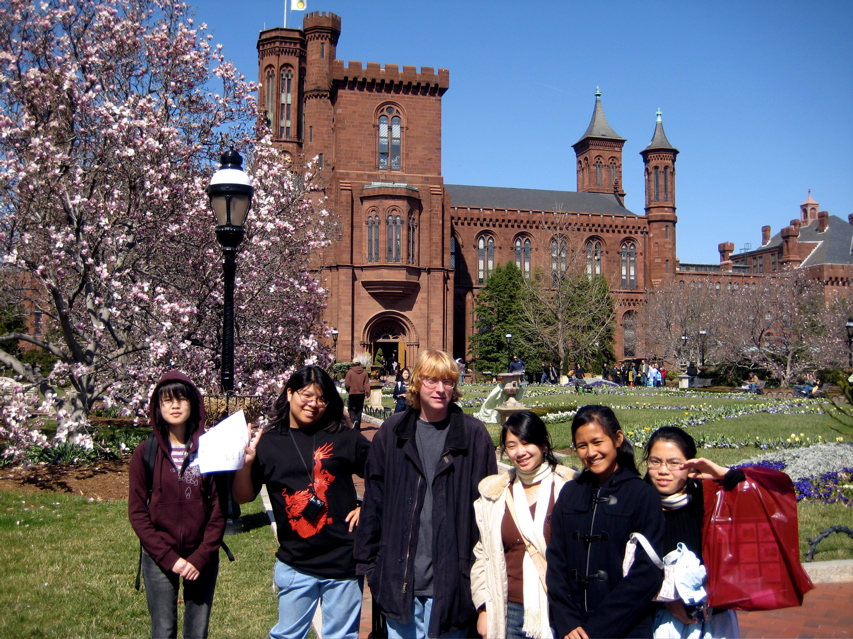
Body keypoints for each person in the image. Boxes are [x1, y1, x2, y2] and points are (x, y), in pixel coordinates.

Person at [355, 348, 498, 639]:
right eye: (432, 380)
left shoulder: (473, 435)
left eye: (448, 381)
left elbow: (489, 510)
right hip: (399, 575)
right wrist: (370, 565)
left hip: (453, 581)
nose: (440, 389)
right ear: (417, 382)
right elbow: (374, 500)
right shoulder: (393, 432)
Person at [234, 366, 371, 639]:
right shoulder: (270, 442)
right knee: (287, 635)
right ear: (289, 393)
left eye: (321, 399)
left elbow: (384, 476)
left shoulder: (345, 438)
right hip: (296, 562)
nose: (313, 404)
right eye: (306, 395)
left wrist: (366, 508)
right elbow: (242, 496)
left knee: (342, 636)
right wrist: (245, 465)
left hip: (342, 559)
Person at [547, 405, 664, 639]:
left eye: (597, 442)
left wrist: (597, 629)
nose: (591, 452)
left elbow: (647, 572)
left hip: (626, 628)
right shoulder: (570, 493)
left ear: (617, 438)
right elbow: (556, 560)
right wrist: (567, 621)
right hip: (573, 630)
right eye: (582, 446)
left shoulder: (642, 494)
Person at [129, 371, 224, 639]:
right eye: (167, 400)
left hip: (201, 556)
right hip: (159, 556)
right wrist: (170, 559)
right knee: (163, 630)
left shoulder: (209, 449)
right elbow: (137, 512)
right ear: (158, 408)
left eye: (181, 399)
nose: (174, 405)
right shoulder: (145, 451)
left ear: (193, 403)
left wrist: (200, 556)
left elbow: (219, 510)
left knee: (197, 631)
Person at [471, 411, 578, 639]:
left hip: (559, 608)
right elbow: (483, 554)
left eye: (527, 442)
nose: (520, 452)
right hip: (508, 608)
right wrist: (483, 607)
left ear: (544, 443)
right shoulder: (495, 495)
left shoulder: (567, 490)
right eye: (512, 445)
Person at [643, 427, 744, 639]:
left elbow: (755, 490)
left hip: (714, 620)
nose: (663, 470)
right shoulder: (639, 506)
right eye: (655, 461)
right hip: (662, 621)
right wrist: (667, 598)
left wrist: (721, 473)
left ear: (690, 465)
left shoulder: (708, 502)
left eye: (674, 463)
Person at [344, 358, 370, 430]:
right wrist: (368, 394)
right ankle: (357, 426)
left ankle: (354, 420)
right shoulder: (364, 373)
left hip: (353, 393)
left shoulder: (350, 372)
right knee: (359, 409)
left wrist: (348, 390)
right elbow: (366, 384)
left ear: (353, 364)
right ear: (360, 363)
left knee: (351, 409)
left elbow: (347, 384)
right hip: (361, 393)